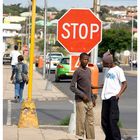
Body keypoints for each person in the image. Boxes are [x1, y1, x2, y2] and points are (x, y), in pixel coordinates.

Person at [101, 51, 127, 140]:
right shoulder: (108, 70)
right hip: (105, 98)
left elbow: (124, 84)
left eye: (103, 62)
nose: (102, 63)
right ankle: (108, 138)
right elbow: (106, 84)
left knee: (112, 121)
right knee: (104, 122)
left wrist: (118, 95)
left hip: (113, 98)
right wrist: (93, 86)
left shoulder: (118, 70)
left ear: (108, 62)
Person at [70, 52, 96, 140]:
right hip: (81, 101)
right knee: (80, 123)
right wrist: (82, 95)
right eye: (84, 59)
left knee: (90, 123)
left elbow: (89, 85)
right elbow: (72, 87)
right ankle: (79, 138)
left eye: (87, 59)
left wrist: (92, 98)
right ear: (80, 60)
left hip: (89, 101)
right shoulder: (77, 72)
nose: (86, 61)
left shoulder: (89, 70)